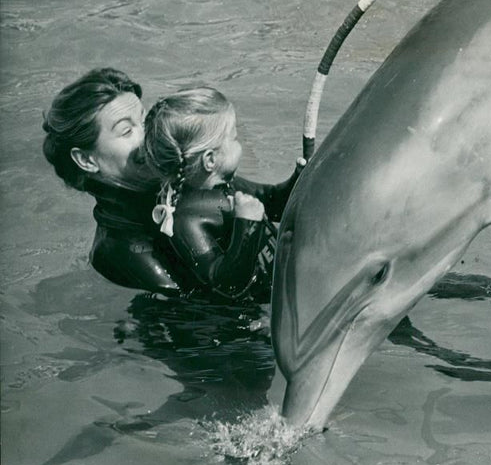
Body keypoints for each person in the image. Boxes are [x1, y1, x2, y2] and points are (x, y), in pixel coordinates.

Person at [42, 68, 302, 297]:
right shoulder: (118, 251)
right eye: (126, 131)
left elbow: (273, 202)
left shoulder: (187, 180)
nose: (148, 136)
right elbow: (210, 318)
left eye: (145, 120)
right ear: (86, 160)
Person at [143, 86, 290, 300]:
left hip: (276, 282)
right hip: (246, 314)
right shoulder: (186, 221)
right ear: (210, 160)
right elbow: (227, 284)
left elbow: (273, 201)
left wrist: (300, 177)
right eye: (234, 138)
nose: (240, 144)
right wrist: (247, 225)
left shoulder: (228, 184)